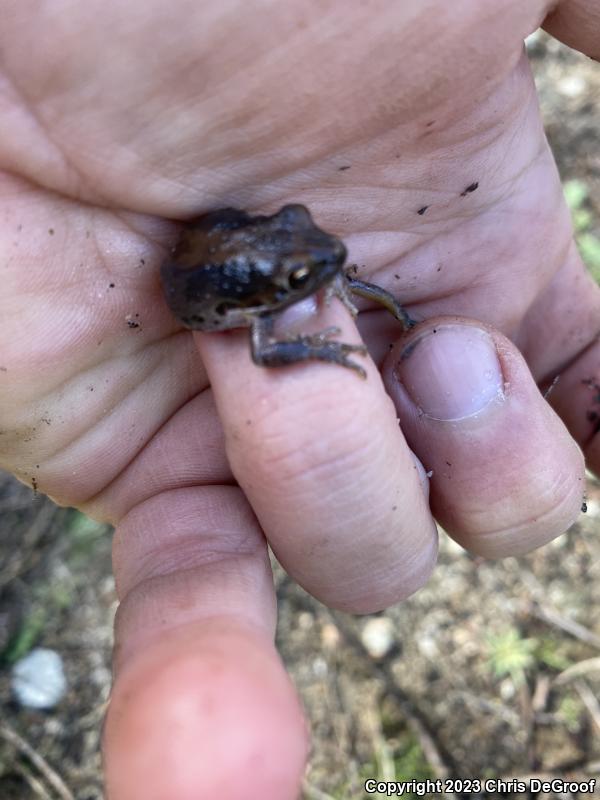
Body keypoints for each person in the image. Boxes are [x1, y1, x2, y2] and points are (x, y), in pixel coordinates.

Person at [0, 1, 598, 797]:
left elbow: (283, 238)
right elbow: (259, 342)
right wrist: (311, 343)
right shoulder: (247, 321)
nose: (323, 264)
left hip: (229, 246)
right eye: (299, 282)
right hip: (206, 289)